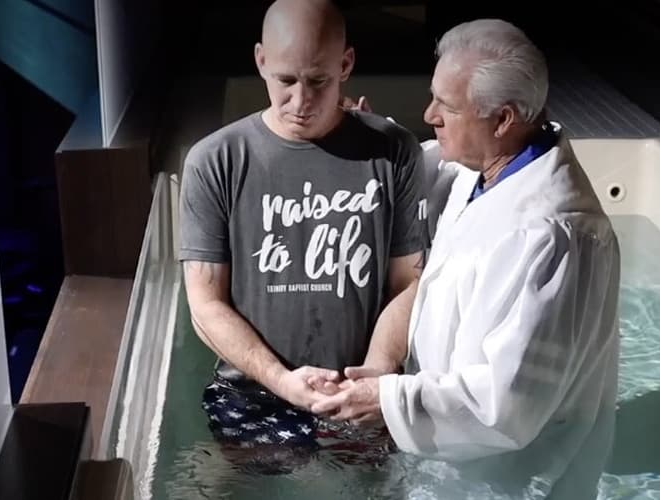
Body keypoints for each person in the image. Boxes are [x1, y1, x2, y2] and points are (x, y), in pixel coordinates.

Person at [310, 18, 621, 498]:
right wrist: (373, 137)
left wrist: (385, 397)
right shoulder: (491, 168)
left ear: (502, 120)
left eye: (447, 106)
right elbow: (422, 166)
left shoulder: (552, 237)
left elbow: (506, 407)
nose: (429, 113)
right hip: (453, 462)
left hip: (514, 481)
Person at [178, 0, 427, 469]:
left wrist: (374, 373)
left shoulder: (394, 152)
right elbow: (205, 304)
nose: (300, 102)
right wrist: (280, 379)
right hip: (251, 388)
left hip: (361, 385)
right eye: (286, 81)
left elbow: (410, 283)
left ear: (346, 65)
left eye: (319, 81)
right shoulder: (214, 161)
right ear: (261, 61)